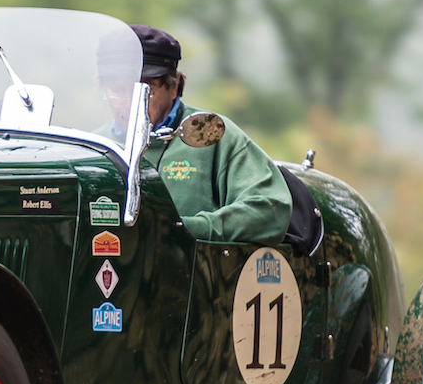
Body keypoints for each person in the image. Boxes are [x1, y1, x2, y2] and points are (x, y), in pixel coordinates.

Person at [98, 24, 292, 245]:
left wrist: (183, 230)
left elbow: (271, 210)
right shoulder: (91, 148)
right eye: (116, 89)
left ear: (173, 87)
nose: (128, 103)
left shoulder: (212, 134)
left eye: (144, 90)